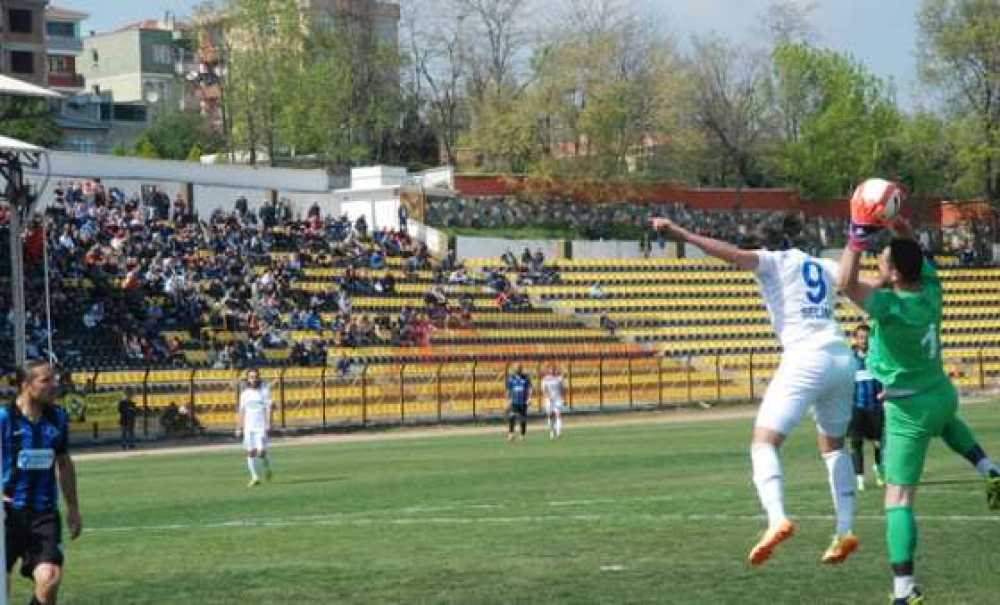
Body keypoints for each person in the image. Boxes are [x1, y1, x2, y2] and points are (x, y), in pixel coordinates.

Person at [652, 214, 858, 567]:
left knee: (764, 442)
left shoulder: (773, 261)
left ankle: (777, 518)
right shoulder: (822, 264)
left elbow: (729, 254)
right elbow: (861, 283)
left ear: (767, 243)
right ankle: (845, 529)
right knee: (834, 448)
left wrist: (680, 233)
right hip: (842, 356)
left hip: (806, 356)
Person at [837, 181, 1000, 605]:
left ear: (892, 272)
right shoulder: (931, 289)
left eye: (884, 260)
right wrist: (897, 225)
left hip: (908, 407)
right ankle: (989, 470)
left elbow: (845, 283)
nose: (880, 260)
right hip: (941, 393)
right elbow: (912, 251)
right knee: (947, 423)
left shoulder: (888, 307)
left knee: (898, 498)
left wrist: (857, 236)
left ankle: (904, 591)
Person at [2, 361, 83, 605]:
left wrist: (73, 509)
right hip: (6, 514)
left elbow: (64, 464)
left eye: (54, 379)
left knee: (50, 579)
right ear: (26, 385)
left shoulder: (57, 417)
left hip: (43, 514)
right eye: (46, 380)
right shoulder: (5, 418)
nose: (54, 385)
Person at [848, 324, 884, 491]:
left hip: (875, 406)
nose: (864, 340)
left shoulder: (877, 357)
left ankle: (879, 470)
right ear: (856, 339)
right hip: (856, 407)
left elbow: (884, 378)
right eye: (861, 337)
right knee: (856, 443)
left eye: (867, 337)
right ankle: (859, 478)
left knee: (878, 443)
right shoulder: (850, 358)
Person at [235, 369, 273, 487]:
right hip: (249, 427)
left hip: (261, 426)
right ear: (248, 379)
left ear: (259, 378)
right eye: (251, 377)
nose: (254, 379)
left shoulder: (264, 392)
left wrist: (268, 423)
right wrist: (239, 427)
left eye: (255, 377)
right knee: (251, 452)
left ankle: (267, 467)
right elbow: (241, 411)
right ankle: (255, 477)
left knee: (261, 452)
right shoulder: (245, 394)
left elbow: (269, 409)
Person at [505, 364, 531, 442]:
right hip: (514, 400)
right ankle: (511, 434)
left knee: (523, 418)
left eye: (519, 368)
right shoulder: (511, 378)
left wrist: (529, 398)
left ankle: (522, 435)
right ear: (513, 369)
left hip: (523, 400)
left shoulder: (526, 378)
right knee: (511, 416)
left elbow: (529, 388)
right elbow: (508, 390)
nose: (518, 369)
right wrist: (508, 400)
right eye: (516, 368)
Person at [541, 365, 566, 440]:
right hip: (549, 400)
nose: (552, 371)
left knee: (558, 415)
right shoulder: (545, 379)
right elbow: (544, 390)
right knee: (550, 416)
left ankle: (558, 432)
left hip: (557, 399)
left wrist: (564, 398)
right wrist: (548, 396)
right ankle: (551, 431)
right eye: (550, 369)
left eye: (553, 369)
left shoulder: (559, 379)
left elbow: (562, 389)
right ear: (548, 371)